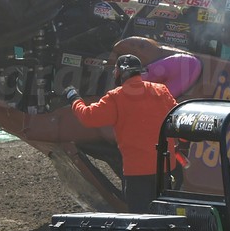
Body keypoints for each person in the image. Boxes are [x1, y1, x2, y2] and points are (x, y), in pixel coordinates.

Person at [66, 54, 179, 214]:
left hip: (136, 172)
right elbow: (177, 117)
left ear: (121, 73)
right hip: (164, 168)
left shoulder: (116, 97)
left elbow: (88, 117)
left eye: (115, 70)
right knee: (166, 216)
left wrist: (74, 98)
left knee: (140, 219)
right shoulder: (161, 90)